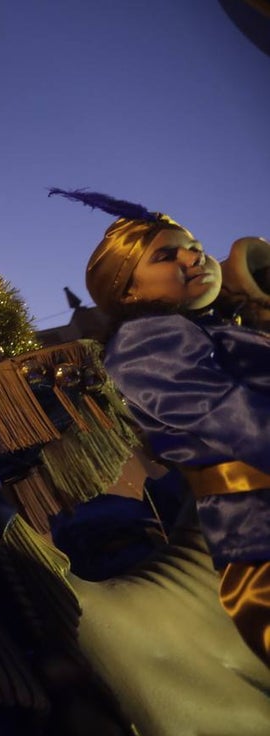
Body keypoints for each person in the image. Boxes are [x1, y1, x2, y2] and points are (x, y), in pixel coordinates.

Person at [52, 187, 270, 668]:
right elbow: (223, 411)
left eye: (193, 245)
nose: (194, 257)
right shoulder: (144, 340)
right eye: (167, 255)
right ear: (129, 290)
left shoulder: (220, 327)